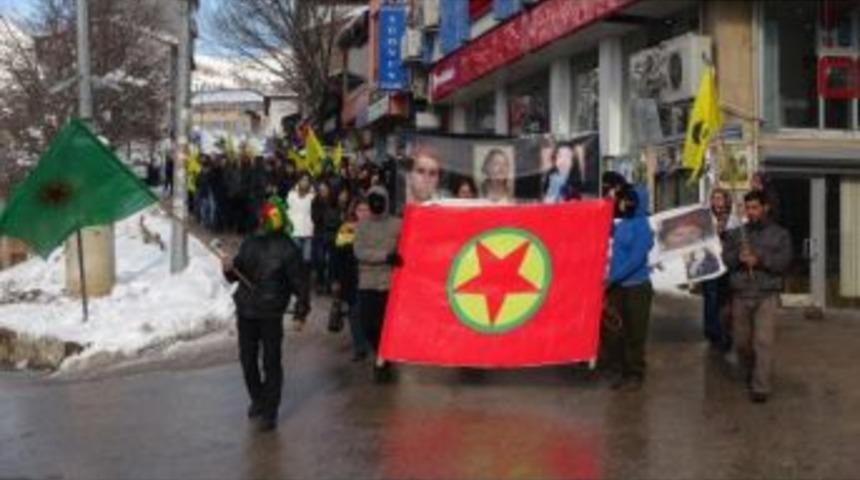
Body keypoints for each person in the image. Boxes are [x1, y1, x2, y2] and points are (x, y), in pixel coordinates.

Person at [222, 198, 310, 432]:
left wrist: (301, 310)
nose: (266, 222)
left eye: (271, 218)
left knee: (271, 362)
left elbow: (300, 282)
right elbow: (235, 276)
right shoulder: (250, 242)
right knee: (247, 360)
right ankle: (259, 399)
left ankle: (270, 412)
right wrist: (228, 267)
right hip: (246, 310)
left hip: (271, 312)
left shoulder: (288, 248)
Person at [722, 190, 792, 403]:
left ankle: (761, 386)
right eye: (747, 208)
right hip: (741, 294)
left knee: (763, 341)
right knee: (742, 342)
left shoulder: (780, 234)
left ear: (765, 208)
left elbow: (784, 262)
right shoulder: (736, 234)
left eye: (754, 208)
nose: (750, 212)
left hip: (766, 294)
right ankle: (751, 369)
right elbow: (725, 260)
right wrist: (738, 257)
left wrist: (759, 259)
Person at [602, 184, 654, 391]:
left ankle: (635, 373)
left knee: (635, 333)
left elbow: (636, 260)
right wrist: (606, 202)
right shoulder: (624, 223)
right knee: (616, 331)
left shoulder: (642, 226)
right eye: (623, 200)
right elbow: (606, 227)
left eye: (628, 200)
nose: (624, 203)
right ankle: (621, 370)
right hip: (618, 288)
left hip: (636, 288)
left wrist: (611, 279)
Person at [354, 186, 402, 381]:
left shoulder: (398, 224)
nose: (376, 204)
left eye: (379, 200)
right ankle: (381, 352)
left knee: (387, 325)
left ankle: (382, 360)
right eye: (372, 199)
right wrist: (384, 256)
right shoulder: (362, 225)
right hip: (367, 282)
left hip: (390, 283)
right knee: (367, 325)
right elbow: (359, 252)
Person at [332, 197, 371, 361]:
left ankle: (369, 342)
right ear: (355, 212)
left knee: (369, 313)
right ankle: (360, 347)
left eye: (366, 210)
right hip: (351, 278)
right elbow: (337, 257)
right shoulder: (346, 229)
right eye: (360, 210)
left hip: (371, 278)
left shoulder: (376, 228)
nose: (363, 213)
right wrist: (336, 280)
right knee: (354, 313)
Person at [701, 188, 739, 352]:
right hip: (710, 264)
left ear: (726, 201)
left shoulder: (733, 220)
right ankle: (712, 331)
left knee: (725, 300)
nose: (717, 202)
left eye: (720, 199)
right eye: (714, 198)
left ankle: (726, 332)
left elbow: (738, 242)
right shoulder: (705, 218)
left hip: (727, 265)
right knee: (710, 297)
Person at [286, 174, 315, 330]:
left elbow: (314, 213)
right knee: (296, 264)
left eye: (306, 180)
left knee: (306, 263)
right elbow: (288, 212)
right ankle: (299, 295)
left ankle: (304, 295)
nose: (304, 182)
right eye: (302, 179)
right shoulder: (291, 194)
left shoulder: (312, 195)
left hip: (308, 233)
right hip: (295, 232)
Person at [311, 182, 340, 294]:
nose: (323, 192)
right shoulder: (315, 202)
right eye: (321, 190)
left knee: (332, 261)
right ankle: (320, 282)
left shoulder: (333, 201)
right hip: (319, 234)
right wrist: (324, 211)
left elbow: (337, 217)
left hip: (331, 234)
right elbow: (315, 218)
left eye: (325, 189)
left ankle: (329, 284)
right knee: (320, 259)